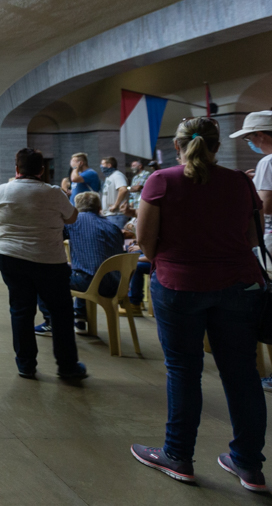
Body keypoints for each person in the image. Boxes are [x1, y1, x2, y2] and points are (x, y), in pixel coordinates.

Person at [131, 117, 267, 491]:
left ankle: (178, 456)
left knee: (184, 370)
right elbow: (254, 235)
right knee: (242, 374)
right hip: (239, 285)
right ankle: (249, 465)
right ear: (217, 146)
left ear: (177, 146)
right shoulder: (240, 181)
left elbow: (145, 238)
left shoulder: (161, 181)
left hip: (179, 285)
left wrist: (172, 260)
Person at [0, 148, 86, 380]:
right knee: (61, 312)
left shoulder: (1, 190)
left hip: (10, 257)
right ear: (41, 170)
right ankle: (67, 367)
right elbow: (72, 217)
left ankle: (26, 365)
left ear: (16, 169)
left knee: (21, 309)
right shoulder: (54, 192)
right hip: (48, 259)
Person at [37, 192, 124, 335]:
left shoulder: (74, 221)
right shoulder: (113, 226)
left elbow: (52, 239)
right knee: (83, 267)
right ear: (99, 207)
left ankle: (52, 322)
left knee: (43, 276)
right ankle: (80, 317)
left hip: (91, 282)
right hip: (117, 284)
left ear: (75, 207)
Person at [234, 110, 272, 259]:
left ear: (260, 135)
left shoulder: (268, 162)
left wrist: (246, 189)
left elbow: (266, 207)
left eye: (249, 138)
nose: (250, 143)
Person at [99, 157, 129, 228]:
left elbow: (123, 189)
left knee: (116, 237)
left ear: (109, 165)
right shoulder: (109, 177)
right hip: (110, 214)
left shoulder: (117, 175)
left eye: (102, 164)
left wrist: (116, 205)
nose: (101, 166)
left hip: (117, 214)